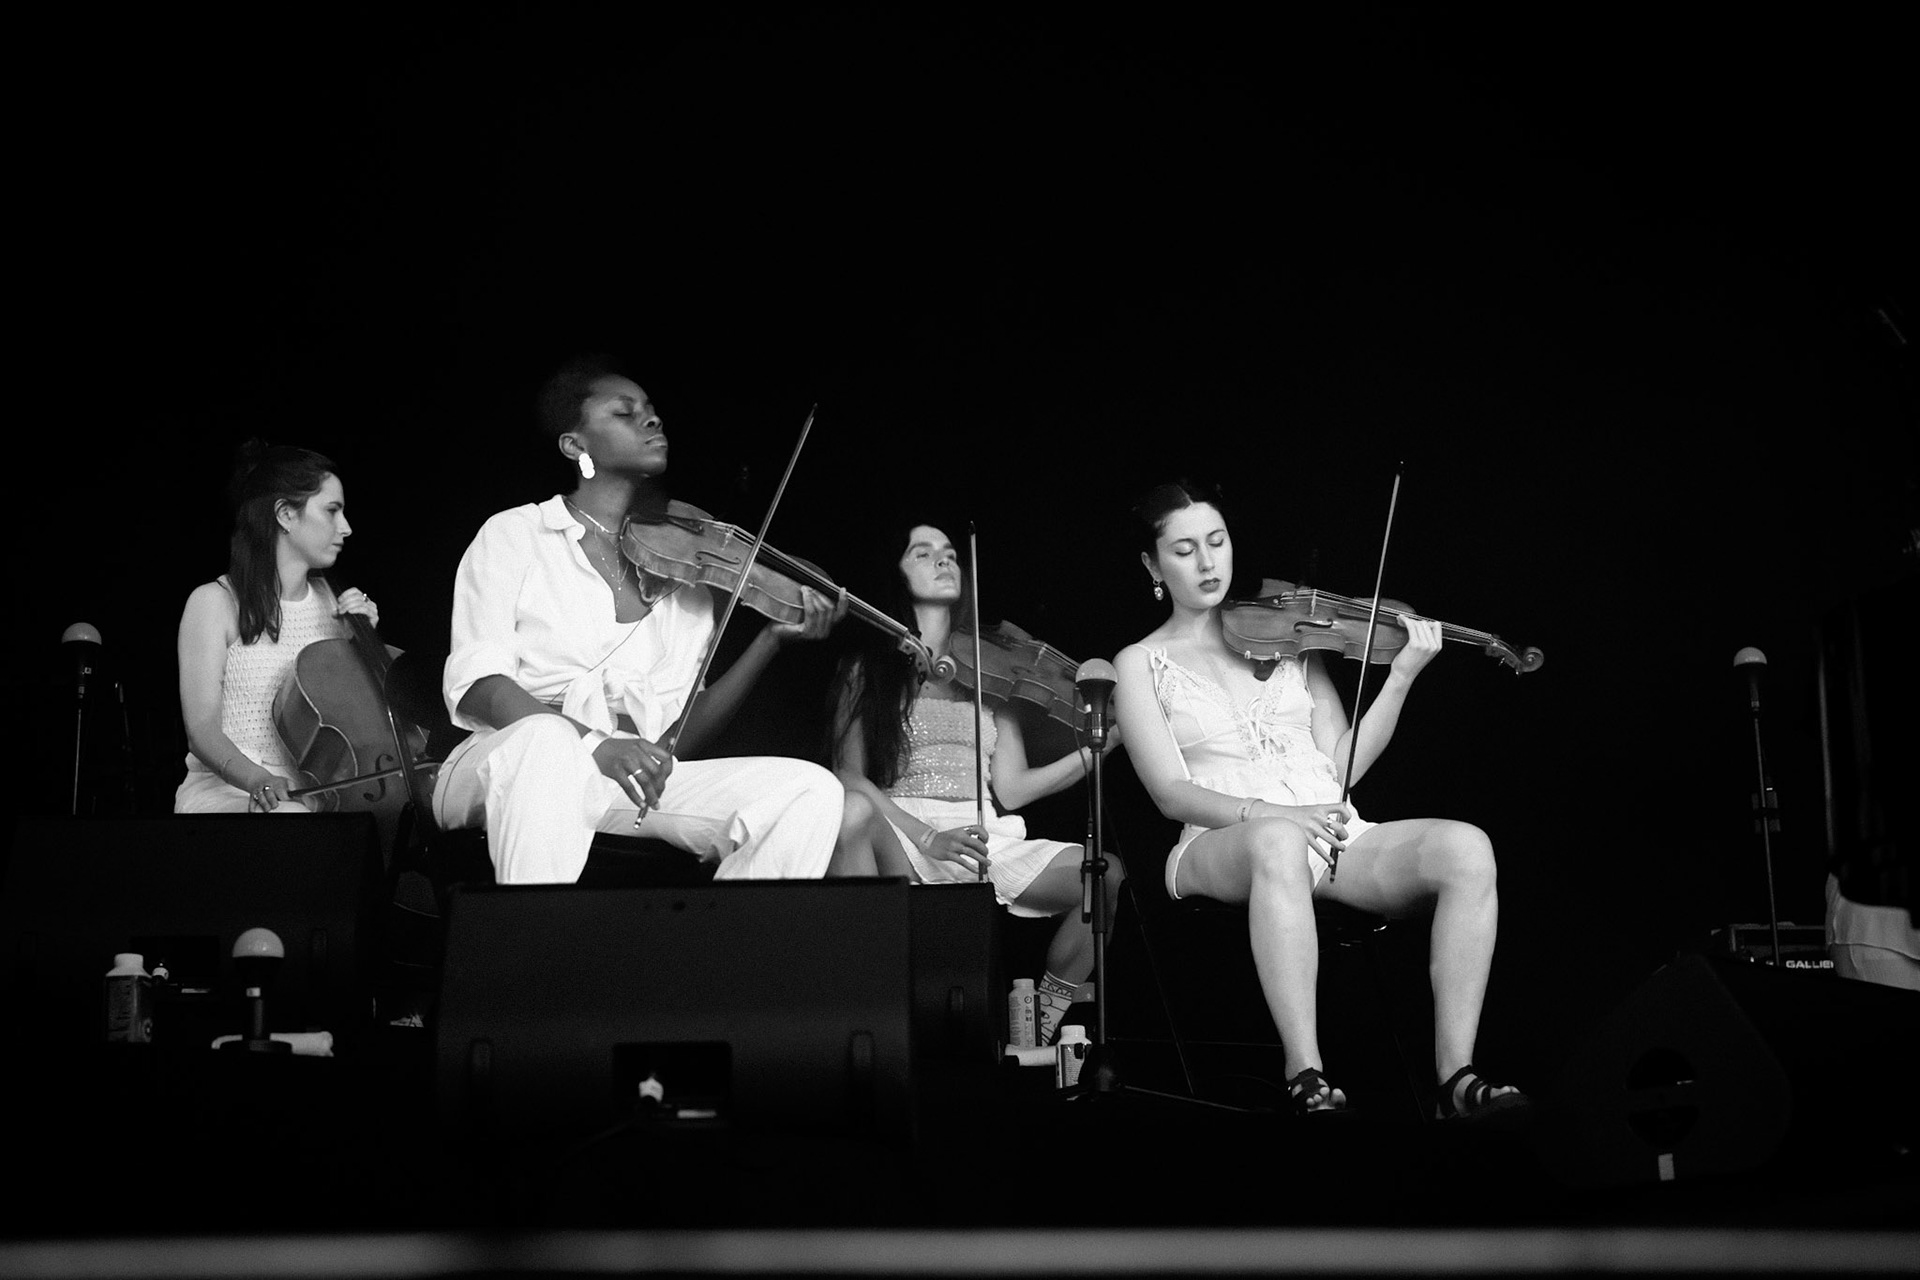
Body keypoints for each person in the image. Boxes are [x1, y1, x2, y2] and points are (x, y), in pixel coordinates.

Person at [1111, 479, 1526, 1119]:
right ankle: (1305, 1072)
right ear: (1152, 566)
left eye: (1217, 542)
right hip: (1219, 843)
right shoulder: (1139, 661)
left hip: (1331, 834)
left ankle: (1454, 1080)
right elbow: (1172, 795)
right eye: (1185, 549)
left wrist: (1402, 679)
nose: (1207, 562)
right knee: (1279, 841)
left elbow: (1340, 765)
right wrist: (1277, 815)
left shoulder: (1288, 635)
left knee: (1466, 849)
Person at [433, 354, 882, 884]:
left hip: (622, 783)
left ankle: (725, 963)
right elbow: (481, 685)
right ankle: (537, 957)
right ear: (575, 446)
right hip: (505, 764)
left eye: (650, 409)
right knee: (546, 743)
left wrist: (769, 642)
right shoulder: (517, 534)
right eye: (624, 413)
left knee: (809, 791)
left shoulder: (688, 577)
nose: (651, 420)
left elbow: (674, 746)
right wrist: (596, 744)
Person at [830, 522, 1125, 1047]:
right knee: (854, 808)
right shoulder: (868, 669)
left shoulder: (990, 675)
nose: (944, 561)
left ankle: (1043, 1021)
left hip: (985, 833)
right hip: (901, 830)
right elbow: (847, 775)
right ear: (897, 574)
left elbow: (1011, 789)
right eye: (923, 553)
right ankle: (887, 1025)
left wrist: (1100, 746)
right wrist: (926, 836)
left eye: (950, 553)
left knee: (1103, 877)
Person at [176, 443, 381, 814]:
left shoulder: (334, 607)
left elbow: (363, 732)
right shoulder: (214, 602)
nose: (346, 528)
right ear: (286, 514)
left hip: (315, 798)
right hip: (232, 793)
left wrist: (366, 645)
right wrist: (257, 779)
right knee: (293, 821)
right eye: (332, 511)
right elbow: (202, 730)